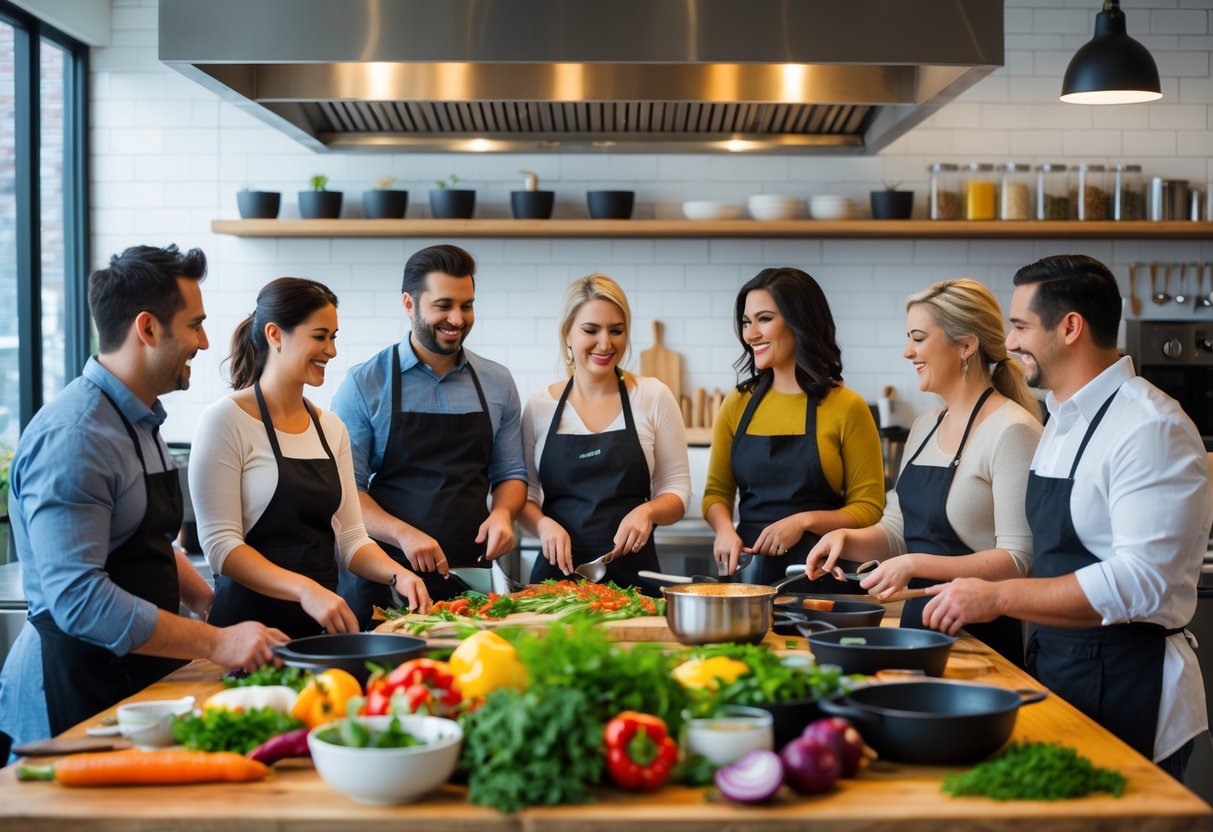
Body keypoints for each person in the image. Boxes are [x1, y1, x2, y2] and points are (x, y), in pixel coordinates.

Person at [921, 254, 1211, 779]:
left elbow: (1141, 580)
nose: (1007, 343)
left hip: (1132, 687)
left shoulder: (1150, 427)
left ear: (1070, 327)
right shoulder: (1061, 418)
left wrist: (996, 595)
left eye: (1020, 326)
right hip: (1061, 670)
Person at [0, 245, 288, 758]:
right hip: (74, 686)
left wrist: (210, 604)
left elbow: (143, 541)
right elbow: (79, 601)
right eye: (194, 325)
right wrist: (217, 643)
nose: (204, 342)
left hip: (135, 676)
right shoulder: (75, 438)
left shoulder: (140, 419)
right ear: (148, 329)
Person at [806, 279, 1043, 667]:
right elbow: (897, 531)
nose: (907, 352)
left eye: (918, 338)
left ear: (966, 345)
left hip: (980, 641)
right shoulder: (925, 425)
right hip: (917, 632)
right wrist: (844, 538)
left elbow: (1018, 560)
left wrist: (916, 564)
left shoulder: (1012, 430)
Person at [190, 278, 431, 639]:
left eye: (334, 337)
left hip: (317, 630)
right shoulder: (225, 421)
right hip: (245, 635)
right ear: (275, 334)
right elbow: (222, 547)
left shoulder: (330, 427)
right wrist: (305, 589)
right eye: (320, 336)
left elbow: (351, 539)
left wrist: (398, 574)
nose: (331, 351)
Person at [333, 245, 527, 622]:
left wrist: (503, 514)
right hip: (386, 577)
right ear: (409, 303)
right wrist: (403, 534)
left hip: (471, 579)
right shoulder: (364, 383)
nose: (457, 318)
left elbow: (511, 474)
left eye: (467, 305)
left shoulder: (497, 382)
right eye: (443, 305)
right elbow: (345, 493)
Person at [703, 267, 885, 586]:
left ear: (799, 321)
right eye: (747, 322)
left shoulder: (847, 407)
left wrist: (803, 521)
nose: (751, 334)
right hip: (748, 576)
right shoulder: (736, 403)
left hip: (821, 577)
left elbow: (869, 508)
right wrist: (724, 530)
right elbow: (716, 493)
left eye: (764, 319)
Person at [519, 275, 691, 589]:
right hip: (556, 586)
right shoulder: (539, 406)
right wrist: (544, 526)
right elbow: (525, 498)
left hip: (635, 583)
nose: (605, 343)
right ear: (567, 334)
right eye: (590, 330)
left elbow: (677, 491)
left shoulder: (653, 396)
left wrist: (648, 511)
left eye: (616, 330)